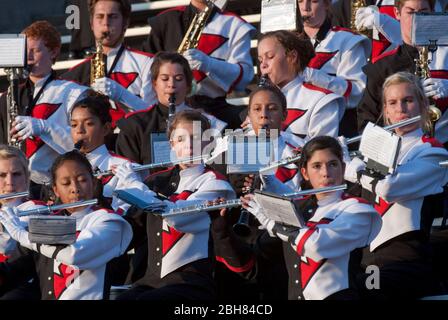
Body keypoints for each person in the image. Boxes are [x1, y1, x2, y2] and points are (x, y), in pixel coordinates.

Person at [219, 136, 381, 300]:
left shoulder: (358, 209)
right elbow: (290, 208)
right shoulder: (305, 209)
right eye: (317, 166)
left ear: (343, 167)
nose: (326, 173)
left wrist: (269, 221)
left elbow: (316, 245)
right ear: (304, 173)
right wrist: (266, 178)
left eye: (332, 164)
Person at [112, 110, 235, 300]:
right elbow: (130, 227)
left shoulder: (216, 183)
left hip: (191, 283)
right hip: (151, 281)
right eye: (181, 139)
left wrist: (134, 185)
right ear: (172, 145)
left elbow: (177, 217)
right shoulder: (156, 181)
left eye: (195, 138)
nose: (189, 146)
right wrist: (113, 194)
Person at [346, 71, 448, 299]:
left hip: (407, 257)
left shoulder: (433, 151)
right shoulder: (376, 149)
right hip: (370, 258)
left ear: (422, 105)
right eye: (392, 103)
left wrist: (349, 166)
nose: (400, 109)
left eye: (408, 101)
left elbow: (389, 188)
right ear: (386, 111)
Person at [0, 150, 133, 300]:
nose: (75, 188)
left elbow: (75, 254)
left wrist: (23, 235)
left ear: (93, 182)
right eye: (66, 183)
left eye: (82, 180)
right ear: (56, 190)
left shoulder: (110, 222)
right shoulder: (46, 222)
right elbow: (13, 272)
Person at [142, 0, 256, 129]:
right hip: (168, 107)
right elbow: (147, 72)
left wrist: (209, 64)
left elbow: (245, 77)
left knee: (254, 123)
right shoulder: (166, 21)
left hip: (214, 107)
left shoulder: (235, 24)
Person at [0, 21, 89, 186]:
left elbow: (82, 146)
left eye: (35, 50)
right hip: (12, 184)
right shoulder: (8, 96)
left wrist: (45, 127)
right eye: (25, 51)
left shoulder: (73, 92)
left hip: (51, 183)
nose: (28, 57)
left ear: (54, 52)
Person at [356, 0, 448, 147]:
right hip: (401, 155)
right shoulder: (382, 67)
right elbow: (366, 124)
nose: (417, 20)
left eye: (423, 12)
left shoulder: (446, 54)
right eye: (411, 12)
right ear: (397, 13)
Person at [115, 51, 225, 166]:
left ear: (188, 84)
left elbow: (218, 164)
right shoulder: (136, 124)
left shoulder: (208, 122)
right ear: (154, 83)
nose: (171, 84)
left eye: (178, 79)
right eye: (164, 79)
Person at [62, 0, 156, 126]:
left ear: (125, 23)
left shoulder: (147, 62)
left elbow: (153, 116)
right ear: (91, 23)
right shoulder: (74, 75)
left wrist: (122, 94)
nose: (105, 24)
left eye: (113, 17)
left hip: (132, 140)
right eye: (99, 17)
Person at [299, 0, 370, 137]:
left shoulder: (347, 40)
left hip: (334, 130)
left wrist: (312, 75)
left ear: (326, 4)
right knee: (256, 146)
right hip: (290, 132)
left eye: (313, 1)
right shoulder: (281, 42)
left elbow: (355, 93)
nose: (305, 7)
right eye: (300, 1)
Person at [257, 30, 344, 139]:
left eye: (270, 56)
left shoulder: (321, 101)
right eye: (260, 60)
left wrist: (275, 135)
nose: (263, 65)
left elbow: (322, 152)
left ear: (292, 57)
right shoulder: (260, 101)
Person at [70, 91, 138, 210]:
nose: (79, 130)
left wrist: (100, 202)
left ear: (106, 128)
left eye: (89, 123)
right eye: (74, 125)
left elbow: (124, 216)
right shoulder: (65, 166)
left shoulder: (124, 166)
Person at [0, 145, 44, 300]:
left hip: (22, 286)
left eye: (16, 174)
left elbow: (7, 246)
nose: (9, 182)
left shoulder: (37, 208)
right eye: (2, 175)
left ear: (27, 178)